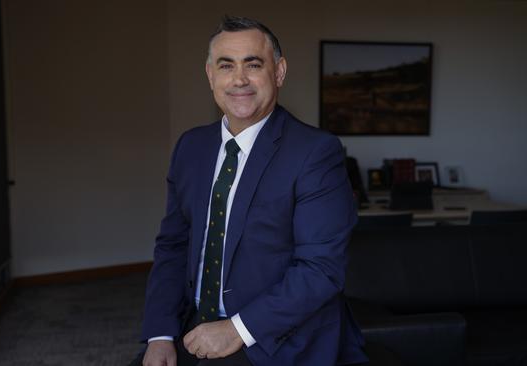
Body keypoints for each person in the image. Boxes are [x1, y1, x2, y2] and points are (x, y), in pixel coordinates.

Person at [132, 15, 368, 366]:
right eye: (226, 66)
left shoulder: (315, 152)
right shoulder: (190, 148)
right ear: (210, 75)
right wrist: (160, 333)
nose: (239, 79)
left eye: (253, 64)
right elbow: (173, 246)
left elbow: (321, 269)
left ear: (279, 72)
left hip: (276, 337)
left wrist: (235, 329)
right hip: (193, 325)